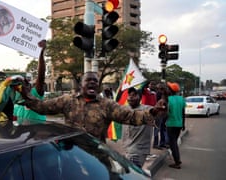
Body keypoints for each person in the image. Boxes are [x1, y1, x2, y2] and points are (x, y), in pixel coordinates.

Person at [19, 71, 166, 142]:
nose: (92, 83)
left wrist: (153, 111)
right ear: (81, 84)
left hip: (96, 157)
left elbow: (130, 116)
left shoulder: (106, 105)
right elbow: (42, 107)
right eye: (88, 80)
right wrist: (26, 95)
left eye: (95, 81)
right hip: (72, 154)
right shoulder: (67, 101)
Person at [13, 40, 47, 124]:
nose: (19, 85)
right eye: (17, 84)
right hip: (24, 136)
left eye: (22, 82)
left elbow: (41, 74)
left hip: (39, 134)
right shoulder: (17, 105)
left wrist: (41, 52)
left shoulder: (35, 93)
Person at [121, 87, 153, 168]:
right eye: (129, 95)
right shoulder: (124, 109)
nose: (131, 97)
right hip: (127, 150)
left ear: (140, 97)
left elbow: (158, 112)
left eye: (134, 95)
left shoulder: (147, 109)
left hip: (138, 152)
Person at [165, 82, 186, 169]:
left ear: (170, 90)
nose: (167, 89)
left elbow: (166, 113)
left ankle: (177, 162)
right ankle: (177, 159)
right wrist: (183, 124)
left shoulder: (168, 99)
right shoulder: (181, 99)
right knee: (174, 142)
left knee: (172, 143)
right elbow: (183, 113)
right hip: (179, 124)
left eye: (168, 88)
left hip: (171, 124)